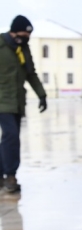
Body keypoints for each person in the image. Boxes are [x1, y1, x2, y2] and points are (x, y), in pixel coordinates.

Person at [0, 15, 46, 194]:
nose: (26, 38)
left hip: (17, 101)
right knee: (11, 136)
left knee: (9, 139)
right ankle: (10, 175)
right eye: (23, 34)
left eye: (28, 35)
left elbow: (31, 74)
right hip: (2, 99)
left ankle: (2, 173)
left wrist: (42, 95)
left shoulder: (23, 49)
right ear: (13, 31)